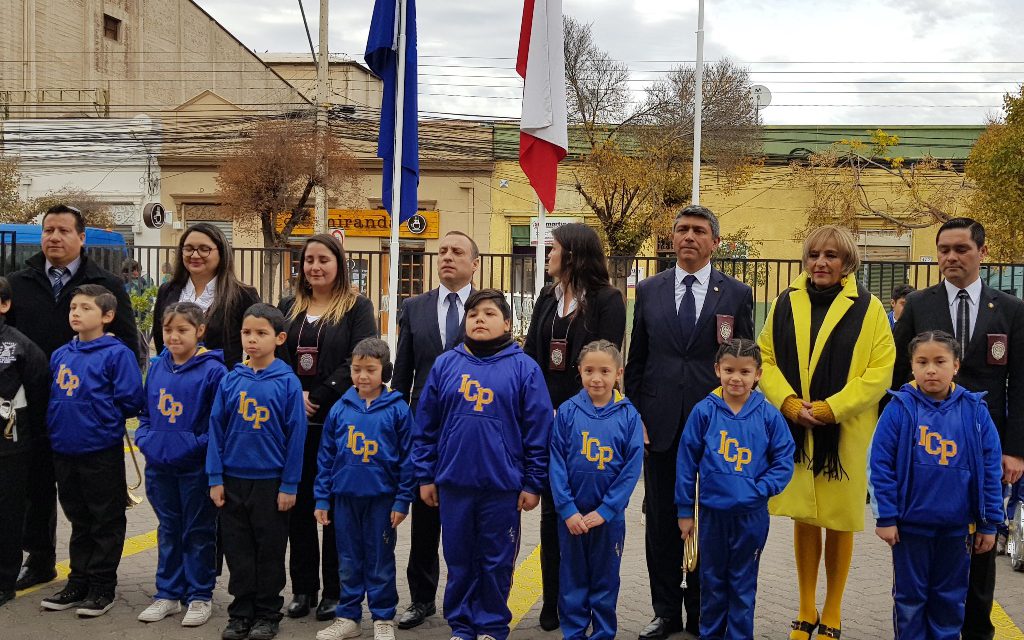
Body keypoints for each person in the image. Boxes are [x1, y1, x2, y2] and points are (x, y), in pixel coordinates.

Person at [758, 225, 895, 640]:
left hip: (845, 431)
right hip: (796, 428)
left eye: (831, 255)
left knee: (838, 519)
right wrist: (786, 401)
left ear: (846, 262)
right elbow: (765, 356)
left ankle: (832, 610)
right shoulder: (785, 301)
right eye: (814, 254)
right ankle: (804, 607)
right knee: (804, 515)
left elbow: (880, 371)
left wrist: (834, 407)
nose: (821, 262)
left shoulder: (869, 308)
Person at [624, 205, 754, 639]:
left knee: (710, 519)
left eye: (699, 231)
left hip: (715, 427)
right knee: (662, 519)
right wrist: (637, 414)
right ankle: (664, 610)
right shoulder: (649, 289)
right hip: (659, 424)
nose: (688, 237)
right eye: (682, 230)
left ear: (715, 242)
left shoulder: (735, 294)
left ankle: (702, 609)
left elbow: (745, 362)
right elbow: (636, 360)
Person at [891, 217, 1024, 640]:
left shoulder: (1010, 309)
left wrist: (1015, 449)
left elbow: (1020, 382)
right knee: (927, 545)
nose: (950, 257)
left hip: (985, 443)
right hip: (927, 446)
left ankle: (976, 630)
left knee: (983, 539)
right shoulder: (918, 305)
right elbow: (898, 378)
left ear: (982, 253)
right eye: (943, 249)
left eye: (961, 249)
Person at [6, 204, 138, 592]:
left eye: (64, 230)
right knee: (37, 488)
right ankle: (41, 559)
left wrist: (107, 408)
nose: (54, 237)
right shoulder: (19, 282)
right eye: (49, 230)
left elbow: (128, 346)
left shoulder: (106, 285)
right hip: (31, 406)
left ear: (81, 238)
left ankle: (96, 578)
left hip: (89, 416)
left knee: (92, 501)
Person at [412, 289, 553, 640]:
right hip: (454, 483)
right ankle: (461, 625)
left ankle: (491, 626)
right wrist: (425, 475)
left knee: (496, 562)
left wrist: (533, 483)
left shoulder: (524, 368)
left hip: (502, 487)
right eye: (473, 313)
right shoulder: (446, 364)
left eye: (489, 313)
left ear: (507, 323)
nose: (478, 319)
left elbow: (538, 431)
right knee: (459, 560)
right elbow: (426, 426)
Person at [523, 223, 627, 632]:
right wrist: (539, 407)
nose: (548, 255)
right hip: (547, 418)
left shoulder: (608, 299)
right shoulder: (548, 296)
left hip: (588, 423)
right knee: (554, 512)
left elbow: (604, 362)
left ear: (574, 255)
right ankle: (554, 600)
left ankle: (588, 604)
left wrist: (574, 409)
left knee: (587, 510)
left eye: (554, 249)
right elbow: (532, 354)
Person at [869, 330, 1003, 640]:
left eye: (940, 361)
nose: (931, 369)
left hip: (957, 530)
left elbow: (990, 471)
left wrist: (988, 523)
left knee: (950, 600)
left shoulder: (974, 411)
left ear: (956, 365)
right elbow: (880, 466)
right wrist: (886, 517)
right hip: (910, 529)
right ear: (912, 366)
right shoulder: (899, 408)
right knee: (910, 601)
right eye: (922, 362)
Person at [278, 234, 378, 622]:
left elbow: (361, 356)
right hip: (295, 422)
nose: (314, 267)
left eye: (323, 259)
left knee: (334, 509)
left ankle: (335, 591)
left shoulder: (357, 307)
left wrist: (317, 394)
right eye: (308, 260)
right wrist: (293, 394)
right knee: (299, 508)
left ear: (339, 263)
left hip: (337, 421)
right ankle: (303, 589)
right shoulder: (289, 306)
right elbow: (276, 352)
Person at [675, 339, 795, 640]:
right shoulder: (704, 412)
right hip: (713, 515)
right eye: (729, 370)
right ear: (717, 370)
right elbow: (686, 464)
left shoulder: (768, 415)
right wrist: (685, 511)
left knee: (743, 585)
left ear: (758, 374)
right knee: (712, 583)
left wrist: (761, 489)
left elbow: (784, 460)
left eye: (745, 371)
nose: (736, 378)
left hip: (751, 516)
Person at [392, 230, 479, 630]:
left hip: (471, 428)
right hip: (424, 426)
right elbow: (403, 372)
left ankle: (470, 597)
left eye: (457, 251)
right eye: (442, 251)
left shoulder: (486, 307)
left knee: (467, 519)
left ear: (474, 263)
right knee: (425, 518)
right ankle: (421, 599)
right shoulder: (415, 307)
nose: (446, 257)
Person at [40, 284, 144, 617]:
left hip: (99, 448)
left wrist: (101, 414)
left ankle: (102, 586)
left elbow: (130, 399)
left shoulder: (116, 353)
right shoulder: (61, 354)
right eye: (73, 307)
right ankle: (78, 581)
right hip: (64, 448)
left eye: (85, 308)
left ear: (107, 316)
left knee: (105, 519)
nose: (76, 313)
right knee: (78, 517)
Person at [207, 303, 307, 640]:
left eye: (261, 333)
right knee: (238, 551)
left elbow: (296, 436)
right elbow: (216, 429)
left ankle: (267, 614)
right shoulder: (230, 379)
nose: (252, 340)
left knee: (269, 551)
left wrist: (289, 484)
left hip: (271, 483)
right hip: (233, 481)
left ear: (279, 338)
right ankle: (241, 612)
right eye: (247, 333)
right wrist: (215, 478)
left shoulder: (288, 383)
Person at [313, 338, 415, 640]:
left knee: (381, 561)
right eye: (357, 369)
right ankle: (349, 616)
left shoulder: (397, 410)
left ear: (384, 371)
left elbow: (407, 460)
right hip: (345, 499)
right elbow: (327, 455)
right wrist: (322, 497)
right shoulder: (340, 408)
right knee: (347, 560)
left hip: (382, 501)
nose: (362, 376)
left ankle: (383, 617)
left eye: (370, 370)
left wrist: (402, 500)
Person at [134, 302, 227, 628]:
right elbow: (146, 411)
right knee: (169, 529)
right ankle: (168, 594)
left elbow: (218, 424)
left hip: (195, 467)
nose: (173, 336)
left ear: (200, 331)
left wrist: (192, 445)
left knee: (198, 531)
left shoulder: (214, 371)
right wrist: (146, 438)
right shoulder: (157, 366)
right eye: (168, 330)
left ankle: (200, 595)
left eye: (182, 330)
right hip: (159, 465)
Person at [548, 340, 643, 640]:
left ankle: (603, 632)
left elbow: (631, 470)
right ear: (579, 371)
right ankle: (574, 631)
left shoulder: (629, 416)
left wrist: (606, 510)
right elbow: (557, 463)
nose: (597, 378)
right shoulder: (566, 412)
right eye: (589, 370)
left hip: (608, 519)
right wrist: (567, 509)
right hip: (573, 517)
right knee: (572, 578)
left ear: (618, 373)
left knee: (604, 579)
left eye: (605, 371)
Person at [0, 277, 49, 608]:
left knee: (7, 515)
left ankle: (4, 580)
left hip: (10, 449)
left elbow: (40, 396)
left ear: (4, 305)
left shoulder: (20, 347)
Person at [153, 222, 260, 369]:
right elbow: (160, 339)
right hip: (175, 385)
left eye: (204, 249)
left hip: (221, 386)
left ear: (221, 253)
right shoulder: (167, 291)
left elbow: (257, 346)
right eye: (188, 249)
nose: (195, 255)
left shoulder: (243, 295)